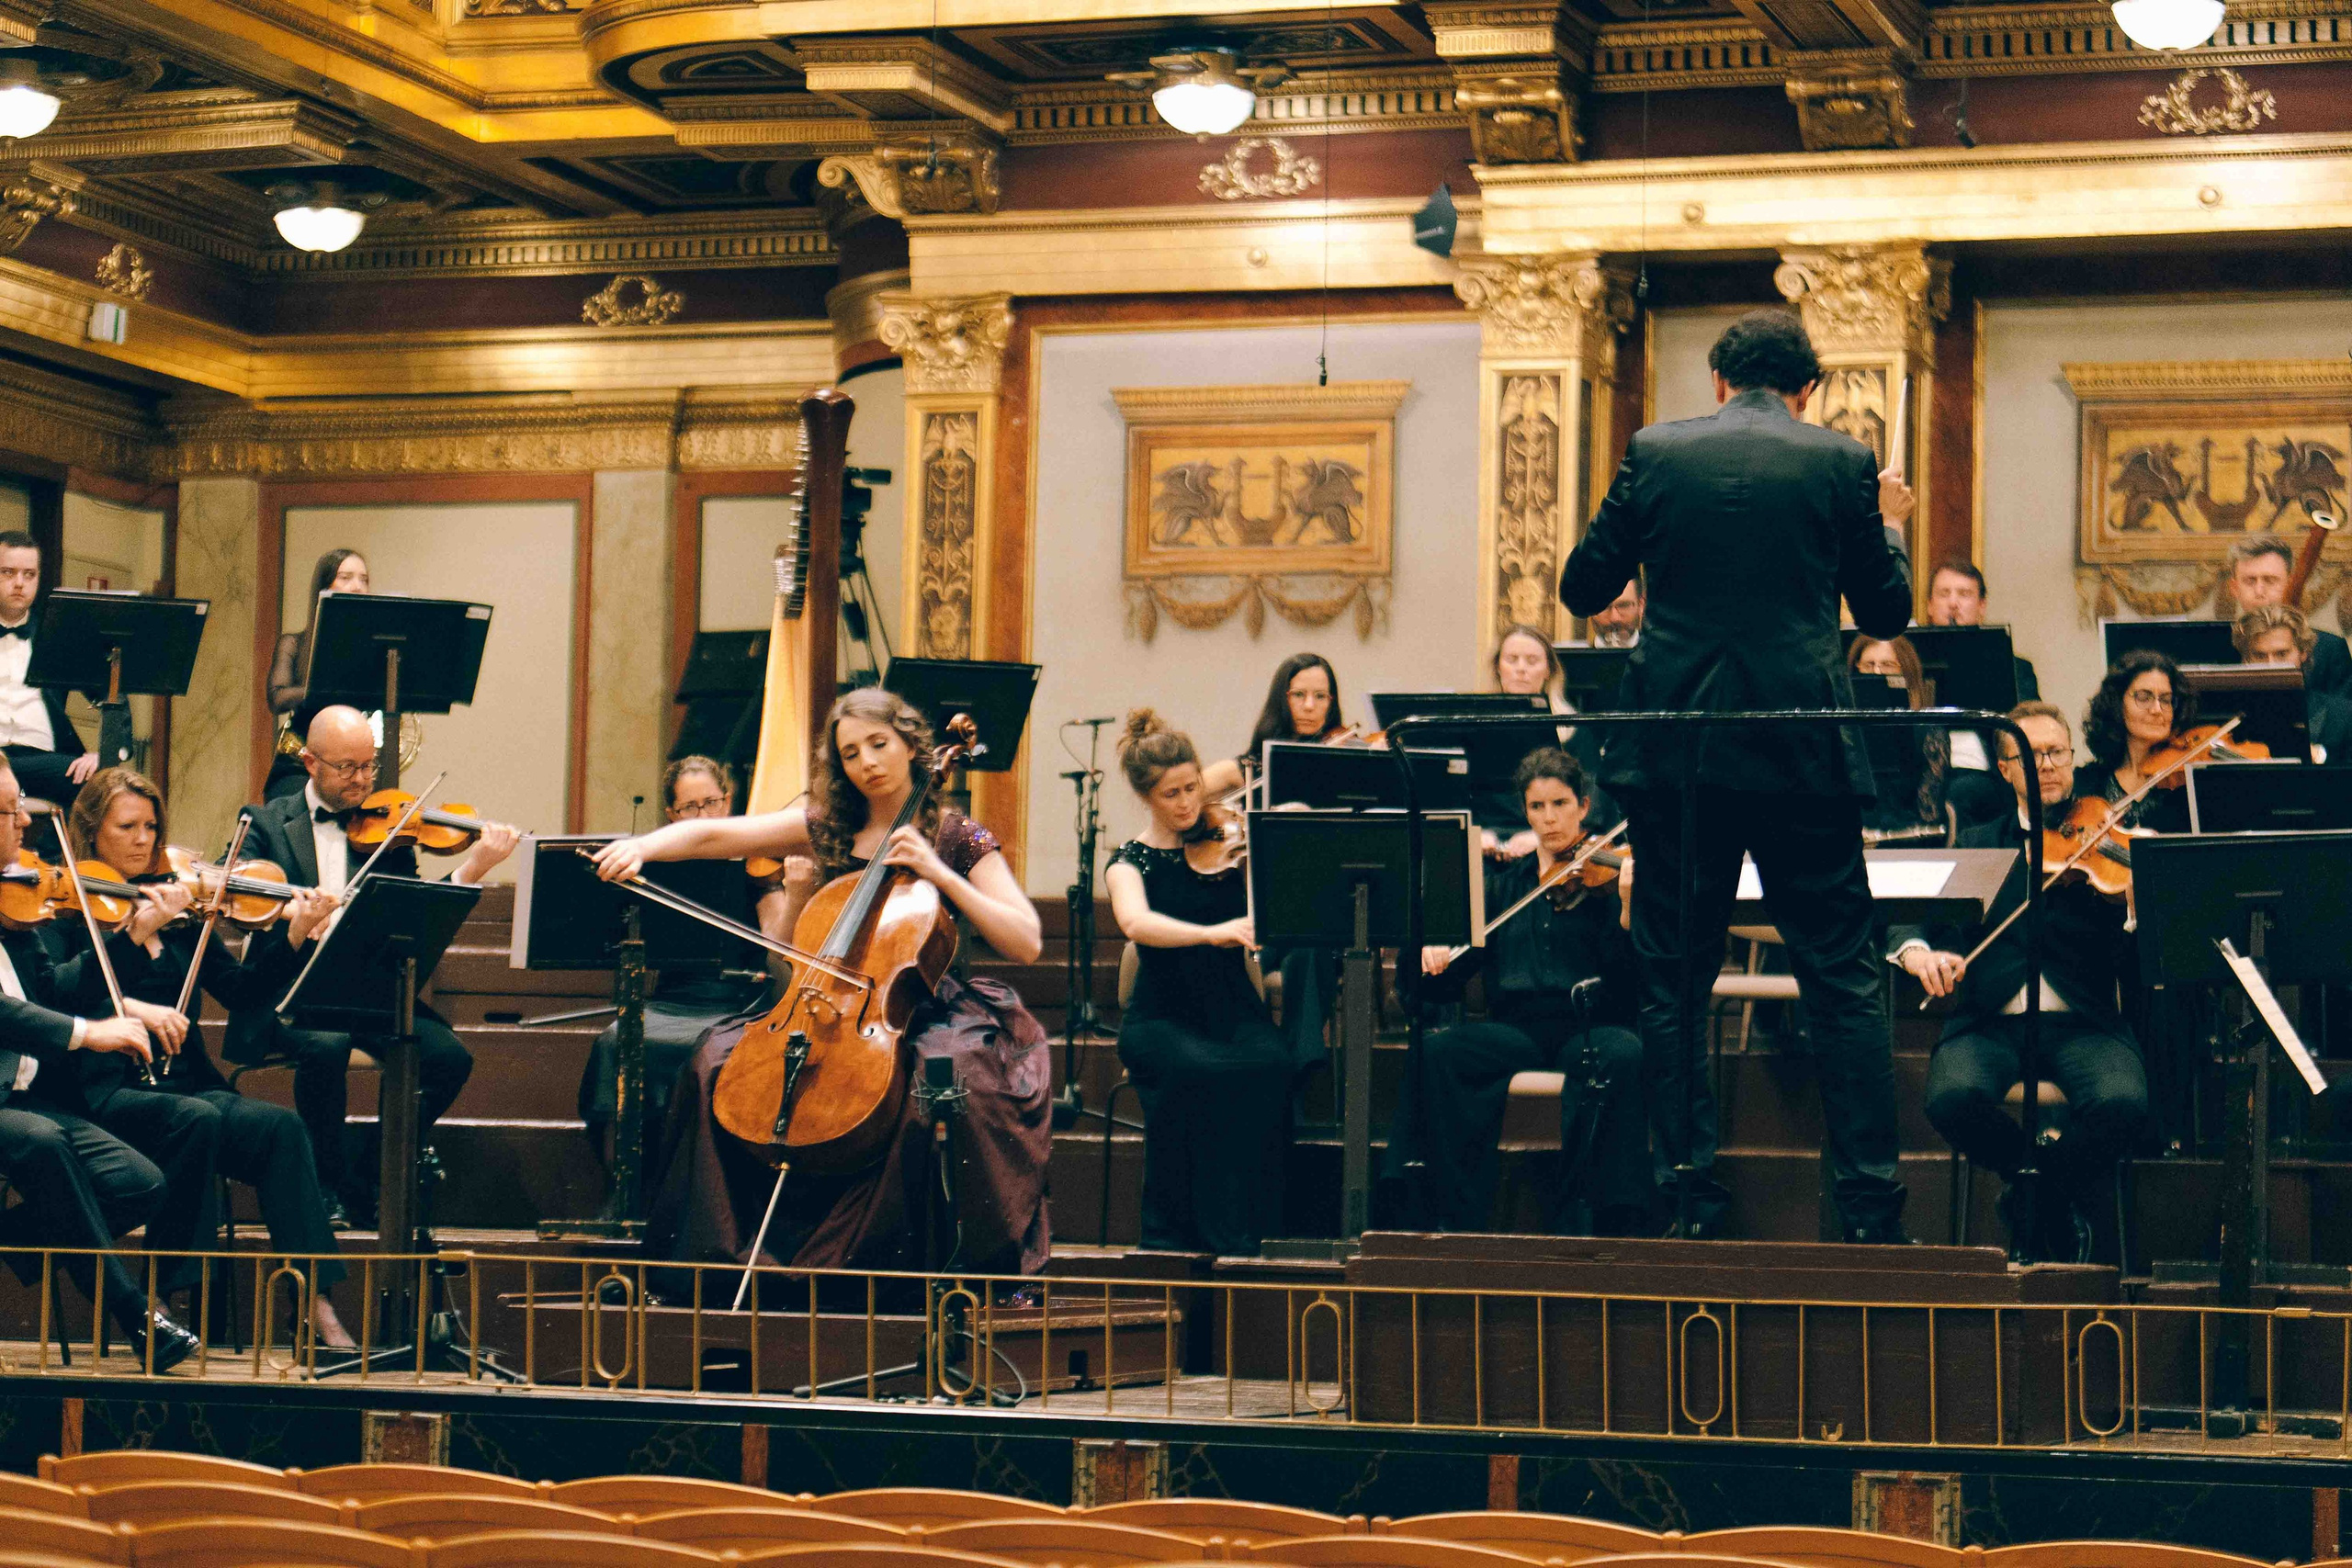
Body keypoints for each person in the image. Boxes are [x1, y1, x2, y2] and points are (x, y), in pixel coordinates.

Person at [1557, 307, 1917, 1244]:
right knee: (1841, 976)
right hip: (1800, 744)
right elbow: (1884, 609)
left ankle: (1689, 1202)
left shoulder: (1655, 450)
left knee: (1673, 981)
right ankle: (1870, 1212)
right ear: (1806, 391)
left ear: (1718, 382)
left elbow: (1583, 588)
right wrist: (1888, 525)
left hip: (1675, 747)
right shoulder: (1840, 461)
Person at [593, 687, 1051, 1277]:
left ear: (912, 744)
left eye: (878, 744)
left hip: (919, 1004)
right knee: (714, 1060)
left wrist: (939, 872)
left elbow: (1025, 940)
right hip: (827, 1005)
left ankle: (903, 1267)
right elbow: (713, 836)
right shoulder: (829, 828)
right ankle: (726, 1257)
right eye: (851, 753)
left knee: (942, 1083)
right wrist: (643, 846)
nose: (867, 763)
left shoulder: (958, 836)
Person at [49, 767, 354, 1347]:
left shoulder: (184, 909)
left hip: (186, 1083)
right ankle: (162, 1298)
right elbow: (59, 993)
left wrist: (294, 936)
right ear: (92, 832)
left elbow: (242, 994)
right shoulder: (67, 908)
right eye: (128, 826)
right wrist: (135, 937)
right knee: (197, 1120)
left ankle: (314, 1301)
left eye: (151, 825)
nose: (144, 838)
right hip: (104, 1091)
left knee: (281, 1129)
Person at [222, 705, 519, 1230]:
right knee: (327, 1045)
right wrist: (295, 914)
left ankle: (375, 1171)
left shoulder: (388, 830)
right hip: (289, 992)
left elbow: (414, 908)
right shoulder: (263, 821)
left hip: (363, 990)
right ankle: (324, 1186)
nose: (362, 780)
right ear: (310, 763)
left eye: (369, 765)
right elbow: (239, 894)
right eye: (347, 768)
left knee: (450, 1058)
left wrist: (475, 865)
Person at [1894, 703, 2147, 1262]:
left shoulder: (2110, 843)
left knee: (2123, 1101)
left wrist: (2139, 903)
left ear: (2073, 760)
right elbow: (1913, 917)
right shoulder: (1978, 842)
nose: (2048, 765)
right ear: (2005, 770)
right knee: (1950, 1098)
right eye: (2029, 756)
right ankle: (2040, 1186)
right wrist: (1920, 953)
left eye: (2057, 752)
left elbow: (2146, 952)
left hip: (2084, 1022)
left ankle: (2035, 1194)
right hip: (1990, 1022)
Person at [1390, 748, 1647, 1235]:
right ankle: (1440, 1208)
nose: (1550, 819)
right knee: (1438, 1052)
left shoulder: (1610, 880)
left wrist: (1627, 910)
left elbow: (1633, 981)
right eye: (1537, 807)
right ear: (1525, 812)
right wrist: (1426, 953)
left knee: (1622, 1054)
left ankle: (1599, 1218)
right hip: (1519, 1028)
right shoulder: (1506, 888)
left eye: (1561, 804)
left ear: (1584, 807)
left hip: (1590, 1025)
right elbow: (1441, 987)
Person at [0, 759, 200, 1370]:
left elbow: (54, 990)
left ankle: (11, 1244)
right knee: (43, 1143)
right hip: (13, 1109)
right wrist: (90, 1034)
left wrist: (133, 934)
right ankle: (134, 1315)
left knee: (140, 1183)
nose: (23, 825)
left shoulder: (15, 896)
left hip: (26, 1096)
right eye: (9, 812)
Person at [1103, 710, 1290, 1255]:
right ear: (1146, 797)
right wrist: (1211, 933)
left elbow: (1242, 775)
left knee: (1273, 1064)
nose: (1186, 803)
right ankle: (1177, 1237)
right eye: (1170, 794)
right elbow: (1136, 923)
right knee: (1201, 1076)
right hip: (1162, 1017)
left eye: (1192, 787)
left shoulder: (1227, 842)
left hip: (1233, 1011)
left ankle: (1253, 1231)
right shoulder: (1128, 862)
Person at [574, 756, 780, 1159]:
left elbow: (778, 941)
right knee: (616, 1042)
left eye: (711, 803)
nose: (702, 815)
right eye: (690, 807)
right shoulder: (655, 869)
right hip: (673, 998)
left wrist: (777, 887)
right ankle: (624, 1191)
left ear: (728, 801)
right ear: (671, 814)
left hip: (741, 1002)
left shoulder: (757, 864)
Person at [0, 531, 96, 812]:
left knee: (96, 785)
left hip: (39, 758)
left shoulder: (54, 636)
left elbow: (110, 691)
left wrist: (103, 752)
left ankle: (49, 857)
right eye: (8, 572)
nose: (19, 583)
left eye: (29, 575)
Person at [266, 548, 372, 803]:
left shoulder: (374, 650)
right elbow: (277, 697)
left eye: (364, 579)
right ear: (324, 587)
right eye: (345, 578)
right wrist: (329, 687)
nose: (357, 587)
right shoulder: (295, 643)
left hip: (356, 769)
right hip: (299, 765)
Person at [1199, 652, 1350, 801]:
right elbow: (1183, 796)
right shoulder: (1251, 769)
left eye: (1320, 696)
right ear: (1281, 699)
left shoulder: (1346, 763)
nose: (1309, 706)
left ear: (1331, 703)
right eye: (1298, 694)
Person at [2076, 651, 2196, 835]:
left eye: (2166, 700)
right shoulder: (2087, 783)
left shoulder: (2188, 784)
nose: (2157, 710)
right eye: (2143, 697)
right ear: (2117, 703)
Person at [1847, 635, 1949, 841]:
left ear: (1905, 671)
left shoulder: (1928, 729)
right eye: (1868, 665)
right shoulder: (1845, 728)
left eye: (1887, 665)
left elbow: (1929, 806)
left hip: (1908, 832)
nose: (1876, 673)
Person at [2222, 536, 2351, 697]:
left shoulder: (2330, 650)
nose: (2259, 591)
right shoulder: (2214, 646)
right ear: (2234, 588)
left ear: (2291, 584)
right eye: (2250, 581)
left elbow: (2341, 716)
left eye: (2270, 580)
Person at [2234, 604, 2352, 762]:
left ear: (2303, 653)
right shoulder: (2231, 714)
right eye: (2260, 656)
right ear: (2246, 659)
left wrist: (2321, 756)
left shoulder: (2344, 715)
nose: (2271, 665)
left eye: (2282, 654)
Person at [1589, 575, 1645, 648]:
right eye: (1604, 607)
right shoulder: (1575, 658)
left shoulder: (1661, 656)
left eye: (1623, 605)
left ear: (1641, 605)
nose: (1615, 618)